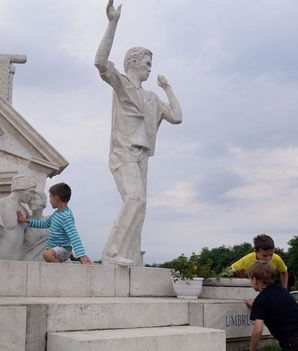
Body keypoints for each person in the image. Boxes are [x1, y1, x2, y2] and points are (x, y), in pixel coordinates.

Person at [94, 0, 182, 266]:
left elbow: (177, 117)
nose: (150, 68)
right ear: (132, 62)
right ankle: (111, 252)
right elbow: (99, 62)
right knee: (135, 198)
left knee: (140, 206)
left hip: (142, 156)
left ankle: (131, 254)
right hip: (123, 153)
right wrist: (113, 23)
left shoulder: (152, 98)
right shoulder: (121, 84)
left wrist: (167, 88)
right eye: (147, 62)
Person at [246, 261, 298, 351]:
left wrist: (252, 349)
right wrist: (254, 306)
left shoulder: (260, 300)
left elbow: (258, 329)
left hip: (295, 341)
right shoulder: (282, 291)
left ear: (254, 280)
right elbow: (277, 307)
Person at [17, 183, 91, 265]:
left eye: (50, 197)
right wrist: (26, 221)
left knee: (47, 255)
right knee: (47, 254)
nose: (50, 200)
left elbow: (74, 236)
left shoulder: (66, 217)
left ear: (56, 198)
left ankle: (60, 268)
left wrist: (81, 255)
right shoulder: (56, 214)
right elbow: (44, 224)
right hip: (54, 249)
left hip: (64, 249)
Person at [0, 175, 36, 260]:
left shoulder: (24, 212)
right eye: (31, 191)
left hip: (17, 263)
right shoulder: (0, 205)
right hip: (0, 260)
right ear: (21, 188)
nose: (32, 196)